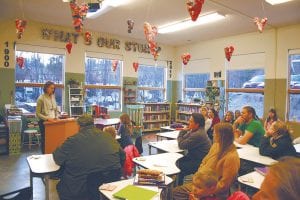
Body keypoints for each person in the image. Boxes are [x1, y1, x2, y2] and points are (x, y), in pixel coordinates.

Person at [53, 114, 125, 200]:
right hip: (111, 186)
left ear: (79, 126)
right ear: (93, 123)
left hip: (81, 190)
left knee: (60, 184)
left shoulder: (72, 141)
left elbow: (58, 159)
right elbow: (122, 156)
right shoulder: (108, 137)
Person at [173, 123, 240, 199]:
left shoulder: (232, 157)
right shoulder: (216, 145)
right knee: (174, 192)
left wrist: (205, 191)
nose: (213, 135)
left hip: (211, 191)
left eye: (215, 133)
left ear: (222, 136)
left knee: (175, 193)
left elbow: (224, 184)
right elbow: (204, 162)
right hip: (200, 183)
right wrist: (197, 177)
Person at [177, 113, 211, 185]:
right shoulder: (195, 130)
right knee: (176, 161)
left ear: (197, 124)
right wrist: (185, 133)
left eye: (191, 122)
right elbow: (184, 139)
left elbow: (181, 145)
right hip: (194, 157)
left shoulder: (198, 134)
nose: (189, 123)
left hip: (199, 161)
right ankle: (177, 183)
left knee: (178, 166)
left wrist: (182, 131)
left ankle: (178, 186)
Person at [36, 81, 59, 154]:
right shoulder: (41, 98)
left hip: (53, 121)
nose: (53, 90)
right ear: (46, 88)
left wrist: (57, 116)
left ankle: (51, 153)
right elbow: (37, 113)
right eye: (51, 88)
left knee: (52, 138)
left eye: (53, 88)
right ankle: (44, 154)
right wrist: (47, 119)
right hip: (44, 122)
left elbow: (55, 108)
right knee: (45, 139)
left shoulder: (53, 96)